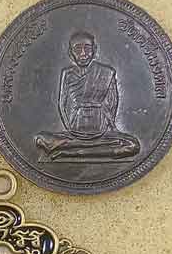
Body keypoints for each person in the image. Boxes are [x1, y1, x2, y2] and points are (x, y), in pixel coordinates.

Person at [36, 31, 140, 160]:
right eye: (77, 49)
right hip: (75, 128)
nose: (83, 54)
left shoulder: (107, 72)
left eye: (87, 48)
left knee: (132, 145)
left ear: (94, 50)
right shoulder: (67, 74)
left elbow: (112, 103)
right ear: (70, 52)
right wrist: (70, 127)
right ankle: (85, 148)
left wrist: (108, 125)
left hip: (101, 128)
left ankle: (68, 151)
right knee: (41, 138)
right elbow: (62, 103)